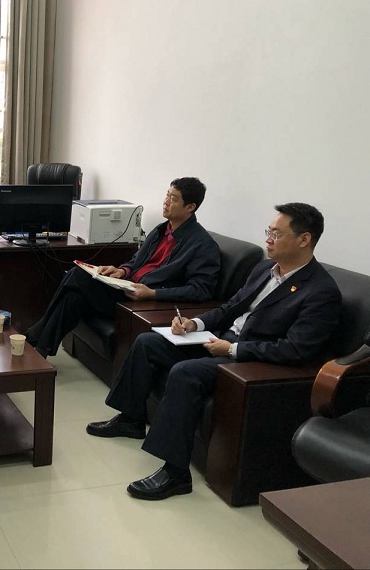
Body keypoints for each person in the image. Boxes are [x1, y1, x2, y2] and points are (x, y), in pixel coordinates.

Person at [88, 203, 342, 500]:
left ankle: (176, 473)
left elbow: (295, 349)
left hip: (249, 361)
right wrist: (194, 323)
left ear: (304, 239)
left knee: (185, 372)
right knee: (148, 343)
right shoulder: (264, 269)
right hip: (220, 340)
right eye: (269, 231)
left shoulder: (321, 291)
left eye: (276, 234)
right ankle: (130, 419)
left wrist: (233, 349)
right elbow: (230, 307)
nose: (268, 239)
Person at [24, 177, 220, 358]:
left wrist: (152, 294)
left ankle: (34, 337)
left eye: (173, 199)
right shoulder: (162, 230)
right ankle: (40, 350)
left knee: (77, 276)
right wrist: (122, 270)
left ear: (190, 207)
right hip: (127, 286)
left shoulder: (202, 245)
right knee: (73, 296)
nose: (166, 202)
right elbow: (136, 261)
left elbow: (201, 290)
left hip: (144, 301)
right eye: (167, 195)